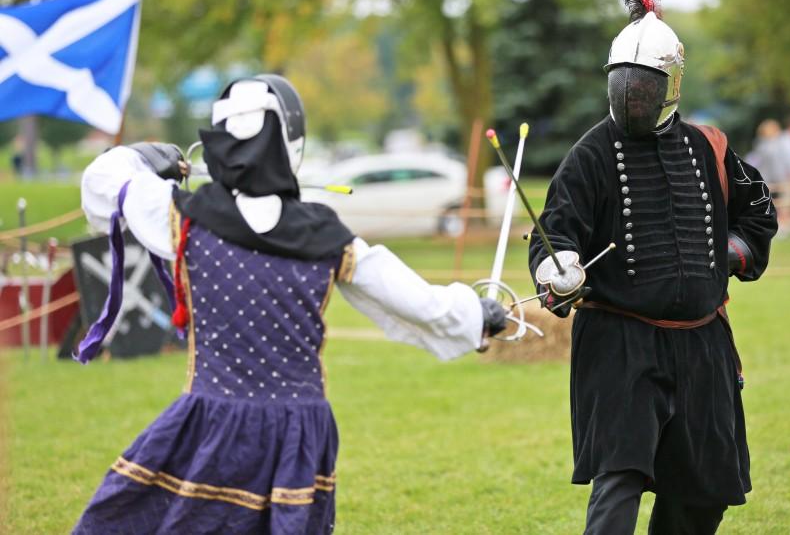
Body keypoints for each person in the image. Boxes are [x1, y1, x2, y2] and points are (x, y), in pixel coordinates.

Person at [72, 75, 508, 534]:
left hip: (213, 423)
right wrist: (476, 316)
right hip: (296, 431)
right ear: (290, 144)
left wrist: (140, 158)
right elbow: (419, 303)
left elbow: (104, 184)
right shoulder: (328, 239)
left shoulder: (183, 219)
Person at [528, 0, 778, 535]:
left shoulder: (708, 145)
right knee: (619, 479)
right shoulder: (590, 154)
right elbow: (555, 229)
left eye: (644, 87)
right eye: (625, 85)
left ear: (670, 85)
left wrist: (728, 255)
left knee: (704, 490)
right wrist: (557, 267)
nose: (633, 97)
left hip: (703, 343)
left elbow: (759, 212)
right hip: (621, 344)